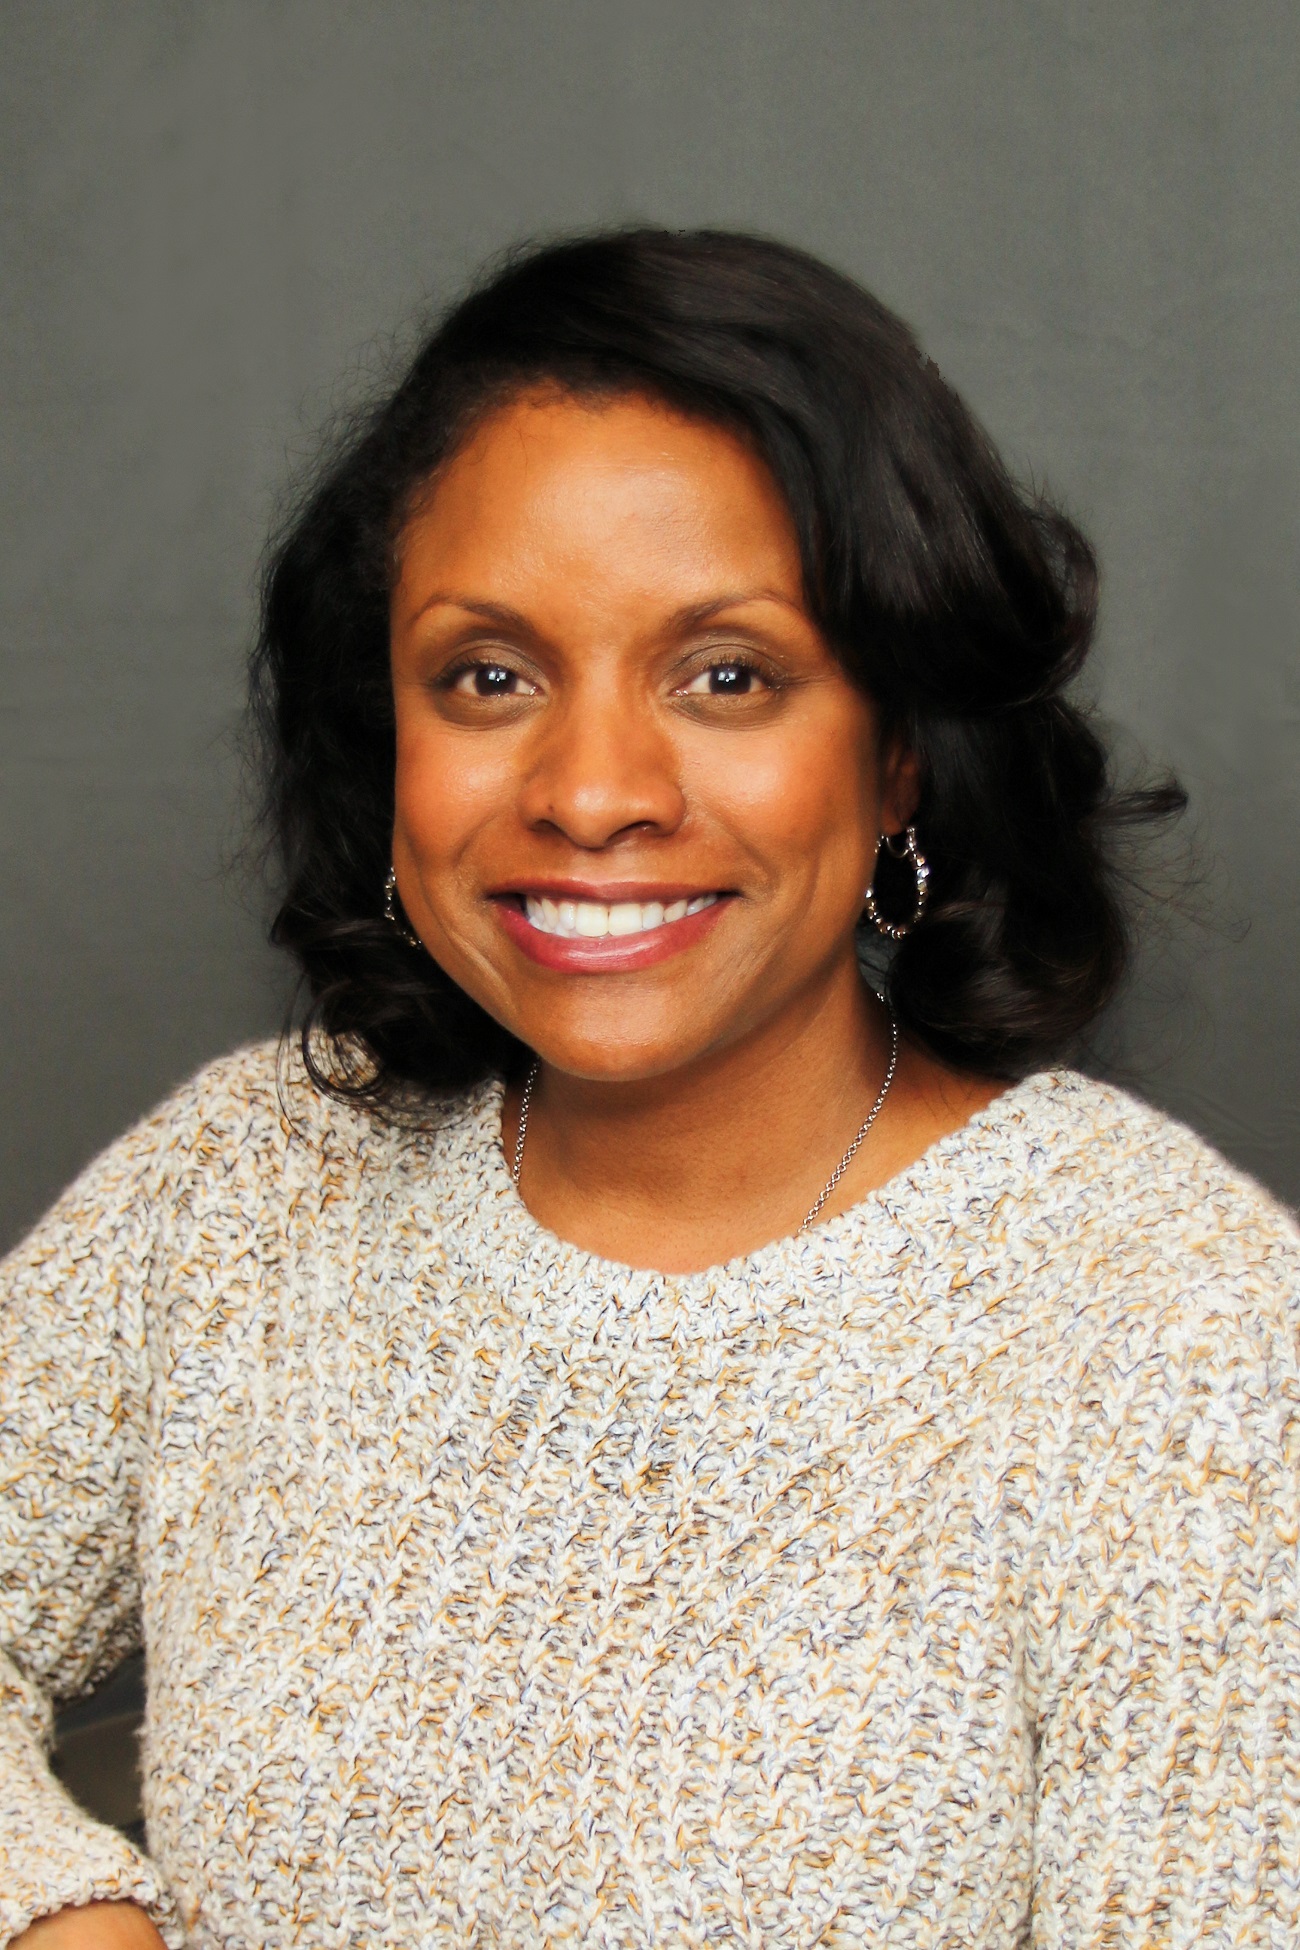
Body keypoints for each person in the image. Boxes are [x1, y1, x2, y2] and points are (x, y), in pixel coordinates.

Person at [1, 229, 1296, 1948]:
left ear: (900, 750)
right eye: (489, 675)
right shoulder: (247, 1185)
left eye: (726, 675)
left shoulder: (1176, 1329)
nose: (593, 789)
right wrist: (72, 1922)